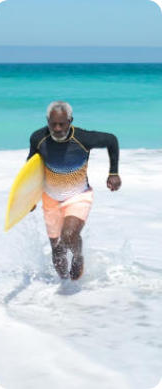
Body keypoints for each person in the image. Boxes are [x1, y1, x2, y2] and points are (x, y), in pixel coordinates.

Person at [27, 101, 121, 280]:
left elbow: (111, 140)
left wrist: (114, 173)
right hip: (50, 198)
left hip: (78, 195)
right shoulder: (38, 138)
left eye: (62, 123)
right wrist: (28, 199)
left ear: (70, 121)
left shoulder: (84, 138)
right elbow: (31, 168)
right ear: (48, 120)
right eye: (53, 123)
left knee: (69, 235)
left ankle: (78, 257)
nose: (57, 128)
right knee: (58, 254)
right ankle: (65, 297)